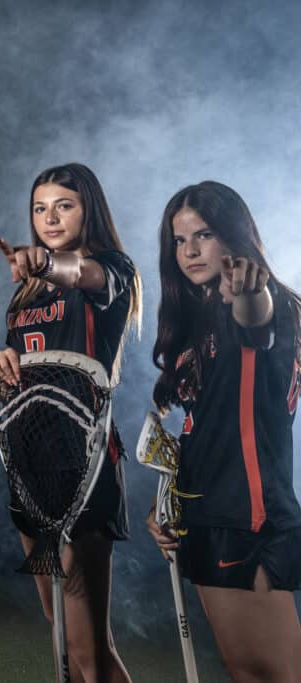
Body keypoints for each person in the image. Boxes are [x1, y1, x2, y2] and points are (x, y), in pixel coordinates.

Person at [0, 162, 139, 682]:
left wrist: (47, 262)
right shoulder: (26, 292)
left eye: (64, 206)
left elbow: (81, 273)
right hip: (31, 463)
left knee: (88, 646)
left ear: (88, 209)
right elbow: (19, 367)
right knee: (64, 636)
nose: (49, 218)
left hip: (85, 462)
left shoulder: (110, 269)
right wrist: (1, 362)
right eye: (40, 208)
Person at [147, 181, 301, 682]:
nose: (189, 251)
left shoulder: (260, 300)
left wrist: (252, 293)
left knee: (279, 674)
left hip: (248, 519)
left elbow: (256, 322)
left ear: (232, 235)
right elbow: (202, 430)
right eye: (179, 240)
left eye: (204, 235)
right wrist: (169, 502)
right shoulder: (197, 319)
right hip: (206, 513)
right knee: (244, 671)